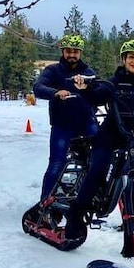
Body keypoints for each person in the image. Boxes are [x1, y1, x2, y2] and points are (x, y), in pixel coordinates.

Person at [64, 39, 134, 256]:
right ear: (124, 59)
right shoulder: (113, 83)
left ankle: (129, 240)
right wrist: (85, 87)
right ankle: (75, 216)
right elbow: (97, 95)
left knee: (133, 189)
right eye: (131, 57)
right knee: (97, 169)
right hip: (110, 137)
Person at [33, 34, 98, 201]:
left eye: (75, 51)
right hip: (62, 125)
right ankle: (45, 204)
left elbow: (99, 91)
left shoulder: (88, 72)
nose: (72, 55)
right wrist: (55, 93)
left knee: (97, 162)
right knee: (56, 164)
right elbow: (38, 87)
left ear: (80, 53)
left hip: (86, 123)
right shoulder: (53, 71)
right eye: (68, 51)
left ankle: (91, 200)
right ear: (63, 51)